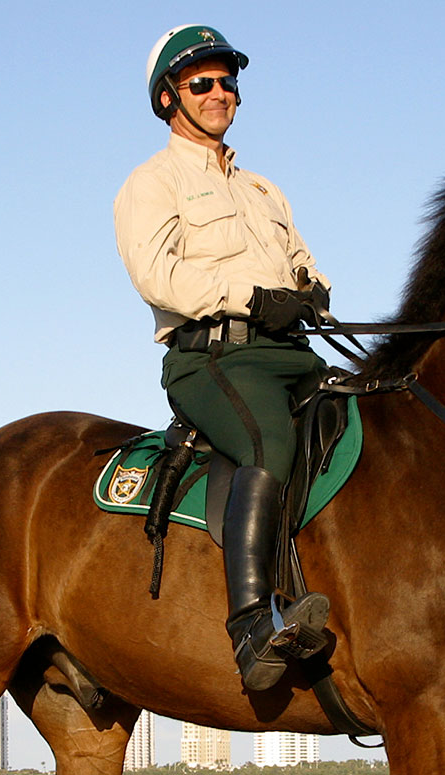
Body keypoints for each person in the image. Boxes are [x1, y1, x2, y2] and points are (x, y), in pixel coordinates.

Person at [113, 24, 333, 693]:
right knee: (268, 438)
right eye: (200, 82)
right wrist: (250, 296)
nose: (219, 92)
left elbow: (302, 264)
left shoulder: (265, 190)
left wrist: (312, 292)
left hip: (288, 350)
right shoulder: (150, 183)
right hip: (213, 358)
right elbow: (158, 277)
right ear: (167, 100)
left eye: (227, 80)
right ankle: (251, 625)